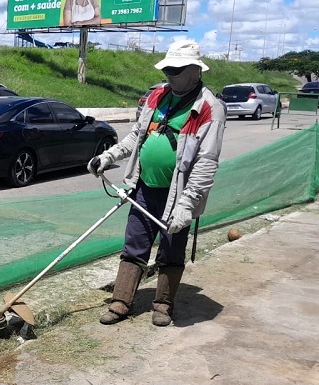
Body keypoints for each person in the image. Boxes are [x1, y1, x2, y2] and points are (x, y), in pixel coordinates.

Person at [87, 40, 226, 326]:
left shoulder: (209, 107)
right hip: (144, 188)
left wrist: (187, 205)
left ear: (195, 70)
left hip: (179, 195)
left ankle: (163, 304)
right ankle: (120, 302)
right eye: (168, 69)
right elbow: (136, 136)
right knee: (134, 244)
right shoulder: (157, 96)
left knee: (172, 250)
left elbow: (206, 162)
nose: (170, 75)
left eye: (176, 69)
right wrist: (109, 155)